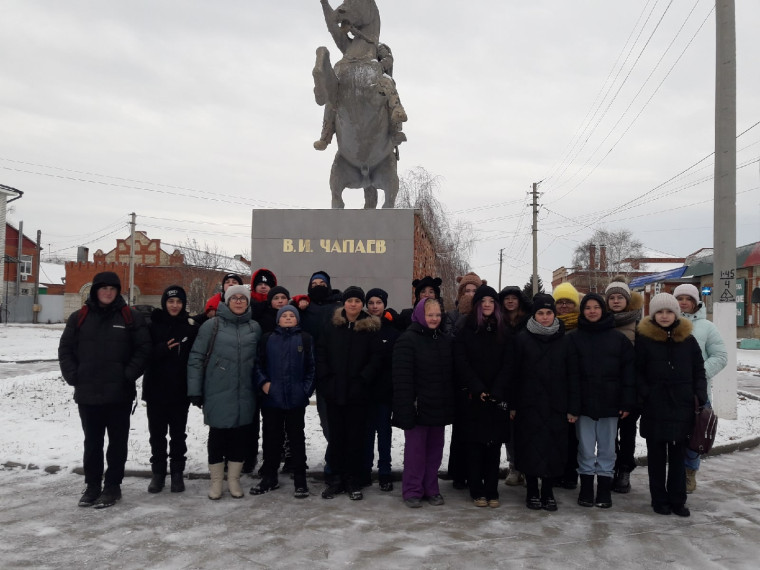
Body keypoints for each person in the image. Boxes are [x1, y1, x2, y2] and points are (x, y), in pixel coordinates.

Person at [58, 271, 151, 508]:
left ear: (118, 291)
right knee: (92, 443)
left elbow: (143, 350)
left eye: (112, 288)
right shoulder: (79, 317)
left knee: (117, 443)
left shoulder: (131, 317)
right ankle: (92, 486)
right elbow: (65, 350)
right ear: (95, 291)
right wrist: (73, 376)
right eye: (103, 288)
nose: (108, 292)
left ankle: (112, 487)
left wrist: (128, 375)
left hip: (119, 393)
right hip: (88, 392)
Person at [187, 284, 262, 500]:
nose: (238, 301)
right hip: (217, 390)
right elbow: (196, 358)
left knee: (240, 438)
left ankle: (234, 480)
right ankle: (217, 482)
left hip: (245, 392)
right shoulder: (212, 326)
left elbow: (260, 360)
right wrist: (195, 390)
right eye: (234, 298)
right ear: (226, 301)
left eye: (243, 298)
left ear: (247, 302)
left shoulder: (254, 327)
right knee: (217, 437)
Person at [636, 293, 707, 517]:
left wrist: (699, 395)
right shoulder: (644, 339)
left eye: (669, 312)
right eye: (660, 312)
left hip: (682, 407)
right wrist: (646, 394)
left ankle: (678, 500)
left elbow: (699, 370)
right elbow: (636, 372)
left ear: (676, 314)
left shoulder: (688, 339)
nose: (664, 316)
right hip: (654, 407)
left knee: (678, 457)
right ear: (653, 314)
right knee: (656, 458)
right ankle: (659, 500)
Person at [510, 294, 580, 511]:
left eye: (549, 313)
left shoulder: (566, 341)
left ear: (554, 314)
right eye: (540, 313)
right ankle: (532, 491)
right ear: (534, 314)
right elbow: (513, 375)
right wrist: (512, 404)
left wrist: (573, 407)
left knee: (553, 449)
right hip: (528, 405)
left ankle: (548, 491)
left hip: (556, 406)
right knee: (529, 448)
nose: (545, 317)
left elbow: (573, 376)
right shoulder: (521, 339)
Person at [569, 293, 635, 509]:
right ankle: (587, 489)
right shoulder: (573, 339)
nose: (592, 311)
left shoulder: (618, 339)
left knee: (607, 449)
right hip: (583, 406)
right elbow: (569, 376)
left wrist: (626, 402)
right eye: (587, 307)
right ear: (583, 311)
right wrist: (572, 406)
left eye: (596, 307)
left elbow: (628, 374)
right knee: (586, 449)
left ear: (603, 309)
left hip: (610, 404)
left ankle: (604, 490)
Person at [316, 286, 381, 500]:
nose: (353, 304)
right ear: (343, 303)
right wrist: (327, 381)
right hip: (334, 392)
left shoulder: (370, 328)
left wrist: (362, 381)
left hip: (358, 394)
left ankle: (353, 480)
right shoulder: (332, 325)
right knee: (336, 437)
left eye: (357, 301)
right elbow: (321, 354)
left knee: (355, 438)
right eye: (350, 300)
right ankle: (335, 479)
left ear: (362, 304)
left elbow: (375, 359)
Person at [392, 297, 455, 508]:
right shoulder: (407, 340)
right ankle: (412, 489)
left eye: (438, 315)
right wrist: (406, 408)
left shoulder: (445, 340)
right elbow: (402, 379)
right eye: (430, 315)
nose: (434, 319)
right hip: (417, 408)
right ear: (420, 315)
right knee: (416, 452)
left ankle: (431, 488)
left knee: (435, 451)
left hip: (439, 407)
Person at [453, 286, 511, 508]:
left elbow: (509, 363)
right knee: (474, 446)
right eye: (483, 301)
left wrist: (497, 389)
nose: (487, 304)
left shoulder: (504, 332)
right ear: (477, 305)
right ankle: (476, 489)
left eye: (491, 301)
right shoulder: (466, 330)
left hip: (496, 397)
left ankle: (492, 489)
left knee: (493, 446)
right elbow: (461, 362)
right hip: (473, 397)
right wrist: (477, 387)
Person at [251, 305, 315, 499]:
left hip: (296, 399)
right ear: (278, 320)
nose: (288, 318)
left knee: (296, 439)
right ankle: (270, 477)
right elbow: (258, 364)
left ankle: (300, 480)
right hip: (272, 399)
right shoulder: (268, 339)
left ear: (297, 319)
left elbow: (312, 368)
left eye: (291, 315)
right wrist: (264, 384)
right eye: (284, 315)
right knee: (272, 439)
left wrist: (305, 390)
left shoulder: (305, 339)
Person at [142, 285, 200, 494]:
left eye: (178, 302)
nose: (174, 305)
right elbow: (143, 354)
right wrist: (162, 349)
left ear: (183, 304)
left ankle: (177, 473)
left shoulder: (189, 327)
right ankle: (158, 474)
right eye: (170, 301)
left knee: (178, 435)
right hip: (156, 390)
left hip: (179, 391)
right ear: (164, 303)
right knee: (156, 435)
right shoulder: (152, 325)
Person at [673, 283, 727, 494]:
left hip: (697, 392)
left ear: (696, 302)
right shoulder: (665, 322)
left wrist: (697, 373)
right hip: (671, 392)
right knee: (675, 434)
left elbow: (720, 357)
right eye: (680, 298)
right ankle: (674, 472)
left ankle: (689, 473)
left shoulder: (706, 327)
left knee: (694, 434)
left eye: (688, 298)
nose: (683, 302)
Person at [604, 276, 644, 494]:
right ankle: (609, 470)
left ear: (627, 300)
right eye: (612, 298)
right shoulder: (601, 321)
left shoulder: (638, 322)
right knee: (609, 435)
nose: (616, 301)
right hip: (607, 389)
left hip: (630, 388)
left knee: (627, 432)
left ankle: (624, 470)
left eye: (620, 297)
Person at [362, 288, 400, 491]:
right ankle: (365, 471)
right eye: (371, 303)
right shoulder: (362, 328)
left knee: (384, 434)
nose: (374, 306)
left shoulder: (392, 331)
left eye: (378, 302)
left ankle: (385, 472)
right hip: (366, 391)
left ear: (384, 304)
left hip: (385, 392)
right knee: (366, 434)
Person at [498, 285, 531, 487]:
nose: (510, 301)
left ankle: (527, 467)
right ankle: (514, 466)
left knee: (525, 428)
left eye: (514, 298)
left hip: (526, 378)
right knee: (509, 429)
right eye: (507, 298)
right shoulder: (499, 322)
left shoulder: (528, 321)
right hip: (505, 379)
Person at [552, 282, 582, 489]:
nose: (563, 306)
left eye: (568, 302)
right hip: (554, 389)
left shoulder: (581, 327)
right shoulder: (550, 327)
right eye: (560, 302)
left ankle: (571, 474)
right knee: (556, 435)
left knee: (573, 436)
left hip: (575, 386)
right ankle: (555, 472)